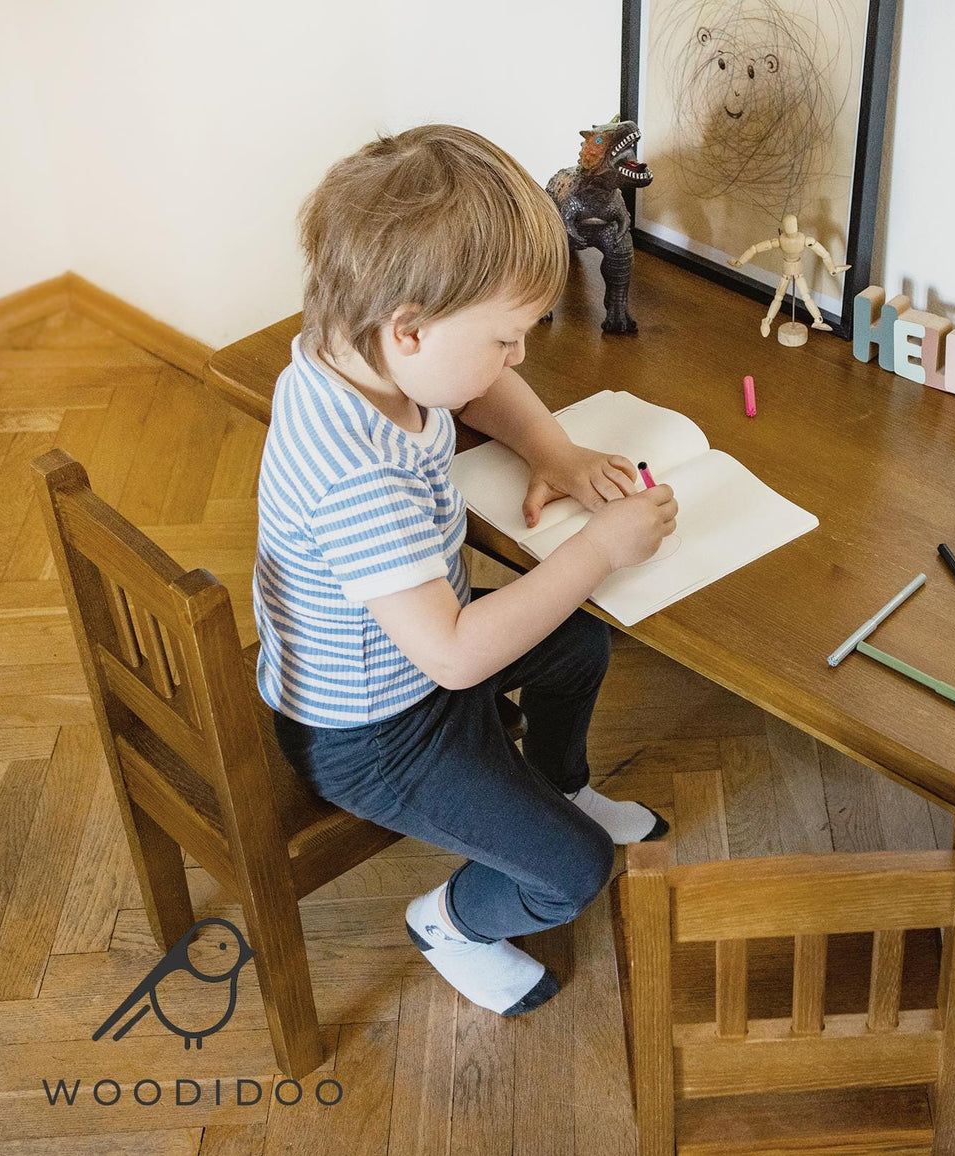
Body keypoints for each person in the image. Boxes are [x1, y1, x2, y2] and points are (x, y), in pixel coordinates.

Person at [254, 124, 677, 1017]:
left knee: (577, 647)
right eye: (506, 338)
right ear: (408, 328)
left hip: (404, 655)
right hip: (373, 731)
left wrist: (552, 450)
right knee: (574, 871)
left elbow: (473, 384)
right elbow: (452, 658)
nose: (519, 356)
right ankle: (450, 923)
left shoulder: (357, 349)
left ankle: (561, 784)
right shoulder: (356, 477)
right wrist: (599, 550)